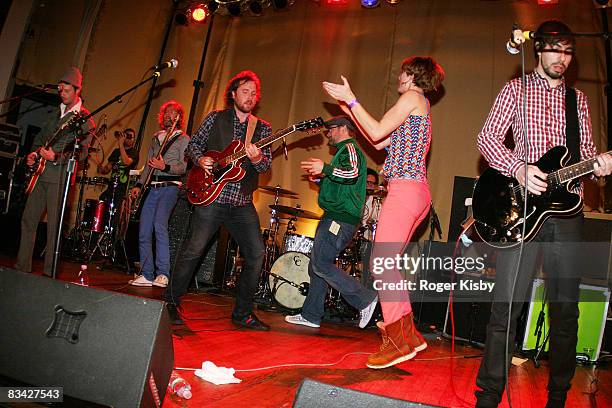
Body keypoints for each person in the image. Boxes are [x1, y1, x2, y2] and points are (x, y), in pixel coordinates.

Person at [474, 20, 612, 408]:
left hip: (567, 214)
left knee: (566, 311)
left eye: (568, 52)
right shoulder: (515, 89)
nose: (562, 59)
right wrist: (518, 167)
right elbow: (486, 139)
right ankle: (488, 396)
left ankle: (557, 397)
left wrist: (598, 166)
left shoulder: (578, 100)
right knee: (506, 308)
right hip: (521, 211)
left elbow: (584, 152)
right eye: (555, 49)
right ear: (538, 50)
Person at [323, 55, 445, 369]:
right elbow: (380, 142)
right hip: (416, 193)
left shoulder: (412, 97)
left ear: (414, 74)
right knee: (388, 265)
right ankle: (409, 336)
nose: (398, 78)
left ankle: (395, 341)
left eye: (403, 73)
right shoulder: (419, 107)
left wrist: (352, 98)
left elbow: (376, 131)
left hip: (405, 190)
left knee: (381, 264)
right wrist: (349, 109)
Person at [163, 71, 272, 330]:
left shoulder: (263, 128)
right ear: (233, 94)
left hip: (241, 201)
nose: (250, 96)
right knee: (193, 250)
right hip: (211, 196)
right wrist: (201, 159)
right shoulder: (216, 118)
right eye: (245, 91)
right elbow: (193, 146)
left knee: (256, 254)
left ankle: (242, 313)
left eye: (253, 93)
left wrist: (256, 158)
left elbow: (265, 165)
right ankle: (170, 303)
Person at [284, 116, 378, 329]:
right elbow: (343, 183)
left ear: (343, 129)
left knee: (320, 264)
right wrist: (322, 180)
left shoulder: (350, 149)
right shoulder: (343, 153)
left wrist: (325, 169)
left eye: (331, 129)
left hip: (340, 218)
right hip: (335, 215)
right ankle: (311, 315)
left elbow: (352, 174)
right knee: (316, 264)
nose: (328, 134)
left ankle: (365, 298)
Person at [15, 67, 95, 277]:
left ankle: (49, 274)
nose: (62, 93)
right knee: (28, 219)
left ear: (77, 90)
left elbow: (83, 154)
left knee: (54, 228)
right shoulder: (54, 113)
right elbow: (40, 139)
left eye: (66, 90)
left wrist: (57, 157)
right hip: (40, 174)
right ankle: (21, 268)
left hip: (60, 177)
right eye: (60, 90)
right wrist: (33, 153)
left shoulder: (84, 119)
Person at [129, 101, 189, 288]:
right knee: (144, 228)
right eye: (165, 113)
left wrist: (166, 167)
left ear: (179, 117)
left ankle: (163, 273)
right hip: (152, 186)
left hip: (170, 185)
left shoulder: (183, 139)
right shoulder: (156, 138)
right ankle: (147, 273)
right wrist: (139, 184)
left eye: (172, 113)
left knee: (159, 225)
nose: (168, 115)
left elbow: (185, 165)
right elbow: (148, 164)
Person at [97, 127, 139, 202]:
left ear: (134, 139)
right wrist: (101, 169)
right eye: (126, 136)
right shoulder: (116, 152)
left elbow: (126, 162)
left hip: (123, 190)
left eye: (130, 137)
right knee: (101, 199)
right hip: (111, 188)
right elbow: (108, 169)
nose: (128, 139)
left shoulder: (134, 152)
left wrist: (120, 144)